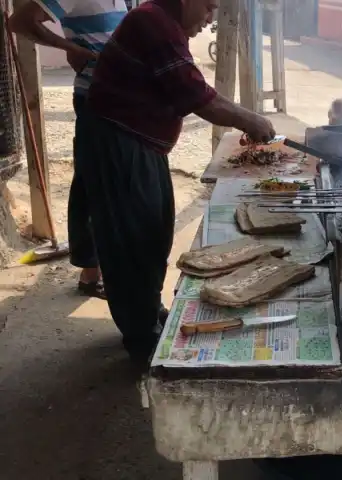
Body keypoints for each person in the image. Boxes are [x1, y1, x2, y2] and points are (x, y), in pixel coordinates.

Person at [76, 0, 275, 360]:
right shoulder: (153, 22)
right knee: (133, 242)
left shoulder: (162, 23)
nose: (210, 19)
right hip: (119, 143)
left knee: (152, 233)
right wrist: (252, 120)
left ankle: (148, 316)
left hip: (137, 143)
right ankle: (142, 340)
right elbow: (197, 97)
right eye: (209, 8)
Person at [10, 0, 129, 300]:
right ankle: (92, 274)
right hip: (94, 98)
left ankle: (102, 270)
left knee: (111, 182)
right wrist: (71, 49)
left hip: (120, 99)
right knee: (93, 185)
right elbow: (21, 23)